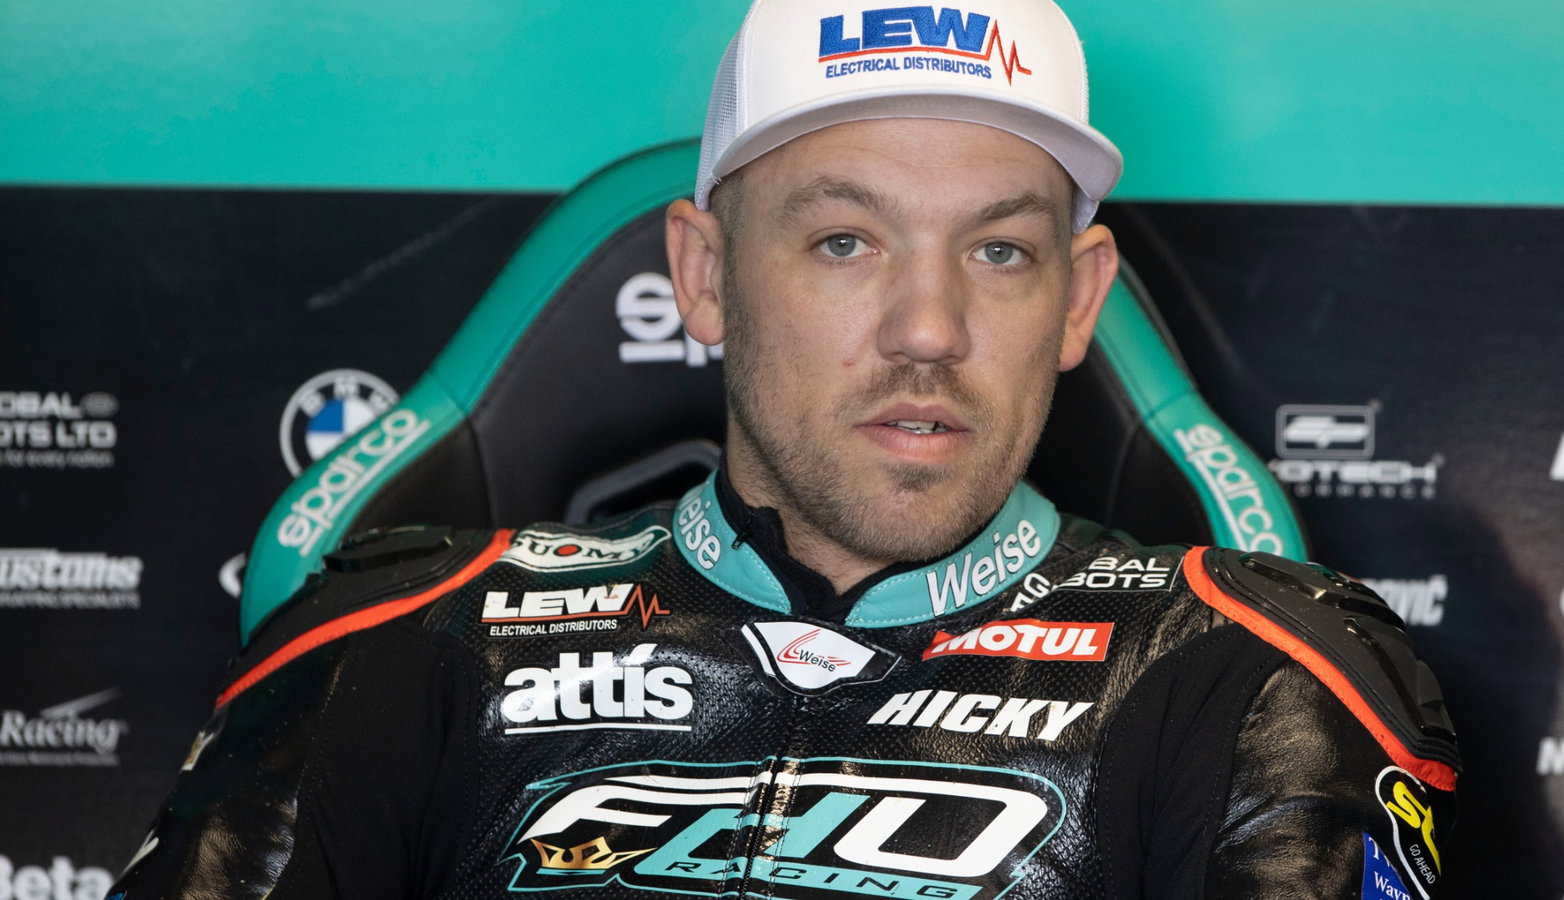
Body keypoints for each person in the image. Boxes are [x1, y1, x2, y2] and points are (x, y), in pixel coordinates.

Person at [110, 0, 1459, 897]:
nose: (928, 328)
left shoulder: (1252, 673)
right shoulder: (405, 640)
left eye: (1000, 251)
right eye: (845, 240)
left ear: (1078, 300)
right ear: (703, 275)